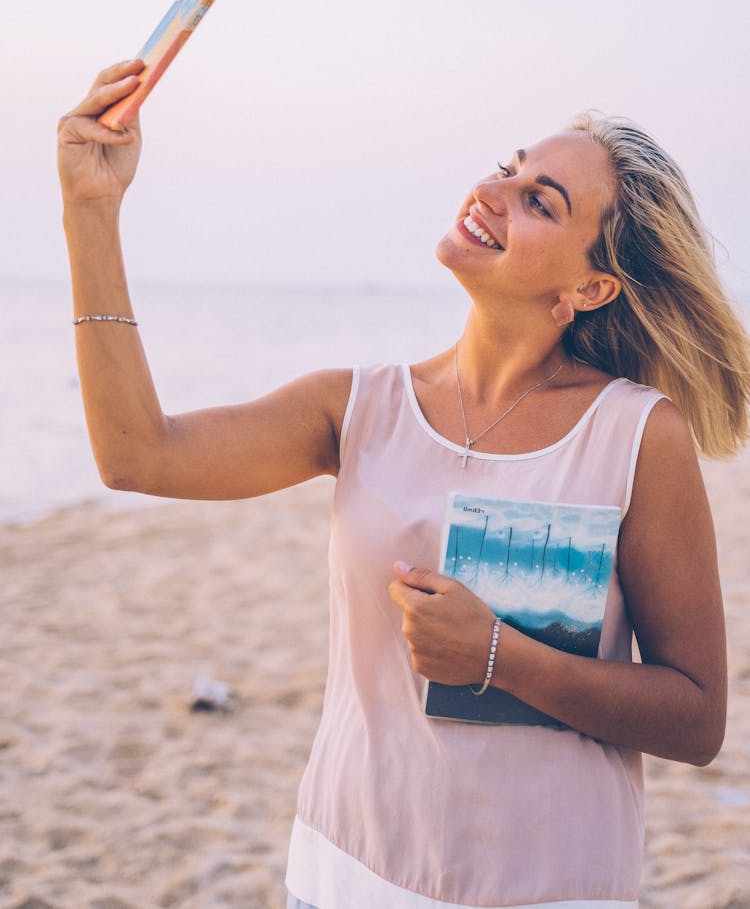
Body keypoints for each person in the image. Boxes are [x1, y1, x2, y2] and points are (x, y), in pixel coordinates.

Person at [58, 59, 749, 909]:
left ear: (591, 285)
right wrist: (91, 211)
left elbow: (695, 714)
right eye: (511, 167)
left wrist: (497, 655)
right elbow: (136, 453)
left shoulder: (637, 434)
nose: (498, 190)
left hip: (550, 889)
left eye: (541, 201)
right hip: (342, 873)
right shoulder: (361, 408)